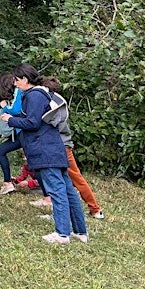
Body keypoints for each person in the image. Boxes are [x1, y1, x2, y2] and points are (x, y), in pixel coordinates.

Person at [1, 63, 89, 244]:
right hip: (54, 147)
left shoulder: (33, 95)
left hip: (44, 150)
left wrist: (10, 120)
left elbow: (32, 123)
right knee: (68, 190)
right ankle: (80, 232)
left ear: (24, 80)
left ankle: (62, 233)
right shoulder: (42, 93)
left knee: (57, 191)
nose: (15, 84)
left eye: (17, 81)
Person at [36, 76, 104, 220]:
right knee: (64, 181)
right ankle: (64, 211)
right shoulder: (58, 101)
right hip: (62, 145)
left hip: (61, 146)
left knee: (74, 179)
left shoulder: (53, 104)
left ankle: (95, 209)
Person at [0, 72, 24, 195]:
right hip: (20, 131)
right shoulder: (20, 90)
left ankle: (47, 196)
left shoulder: (19, 89)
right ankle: (7, 183)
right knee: (1, 150)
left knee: (34, 162)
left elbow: (16, 109)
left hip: (24, 131)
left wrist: (5, 108)